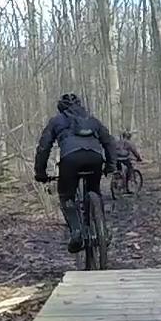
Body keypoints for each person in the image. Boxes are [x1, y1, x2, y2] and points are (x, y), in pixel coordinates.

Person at [34, 93, 116, 252]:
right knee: (94, 191)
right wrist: (110, 165)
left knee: (66, 195)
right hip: (95, 157)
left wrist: (40, 172)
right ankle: (102, 230)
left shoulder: (56, 121)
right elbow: (109, 142)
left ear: (60, 108)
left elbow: (44, 147)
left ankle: (77, 231)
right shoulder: (92, 120)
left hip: (70, 159)